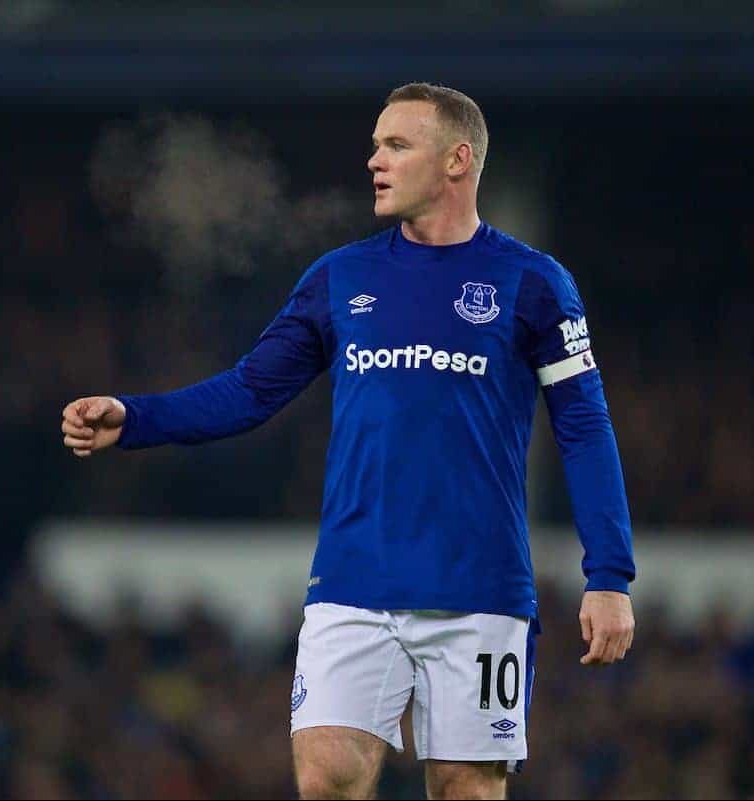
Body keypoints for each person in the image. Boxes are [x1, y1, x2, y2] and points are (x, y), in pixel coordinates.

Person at [60, 82, 636, 800]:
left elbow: (583, 424)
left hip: (480, 590)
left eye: (396, 144)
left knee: (467, 789)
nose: (375, 160)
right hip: (353, 584)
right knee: (328, 773)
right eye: (374, 145)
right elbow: (249, 389)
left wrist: (608, 574)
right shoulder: (341, 278)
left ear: (458, 160)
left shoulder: (533, 284)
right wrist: (136, 416)